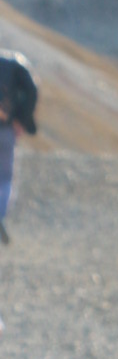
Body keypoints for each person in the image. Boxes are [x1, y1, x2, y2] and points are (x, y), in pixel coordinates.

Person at [0, 53, 37, 244]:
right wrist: (22, 120)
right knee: (6, 177)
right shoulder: (16, 65)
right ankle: (0, 215)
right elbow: (32, 90)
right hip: (6, 129)